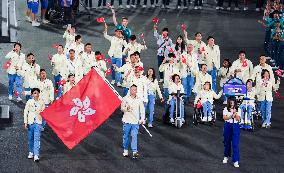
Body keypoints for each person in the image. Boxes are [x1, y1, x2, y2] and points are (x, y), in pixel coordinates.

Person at [121, 84, 145, 159]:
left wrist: (142, 119)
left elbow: (142, 110)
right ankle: (125, 150)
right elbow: (122, 108)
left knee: (134, 136)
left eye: (134, 89)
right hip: (126, 121)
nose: (133, 91)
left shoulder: (139, 99)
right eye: (131, 89)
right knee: (126, 137)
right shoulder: (125, 99)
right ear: (130, 90)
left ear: (136, 91)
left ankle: (134, 152)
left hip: (135, 122)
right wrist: (127, 109)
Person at [24, 88, 45, 162]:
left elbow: (43, 112)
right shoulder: (29, 101)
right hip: (30, 122)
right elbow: (26, 112)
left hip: (38, 122)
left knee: (37, 138)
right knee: (30, 138)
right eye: (35, 93)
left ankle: (36, 155)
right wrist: (25, 122)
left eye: (37, 93)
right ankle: (31, 152)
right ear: (32, 94)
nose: (36, 94)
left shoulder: (42, 102)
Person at [222, 96, 241, 168]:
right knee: (227, 142)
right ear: (229, 102)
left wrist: (235, 113)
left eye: (233, 101)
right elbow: (224, 118)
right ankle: (226, 156)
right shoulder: (225, 109)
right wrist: (231, 116)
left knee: (235, 144)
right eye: (230, 101)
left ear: (235, 101)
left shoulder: (238, 109)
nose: (231, 102)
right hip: (227, 126)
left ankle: (236, 161)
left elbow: (238, 119)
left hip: (235, 126)